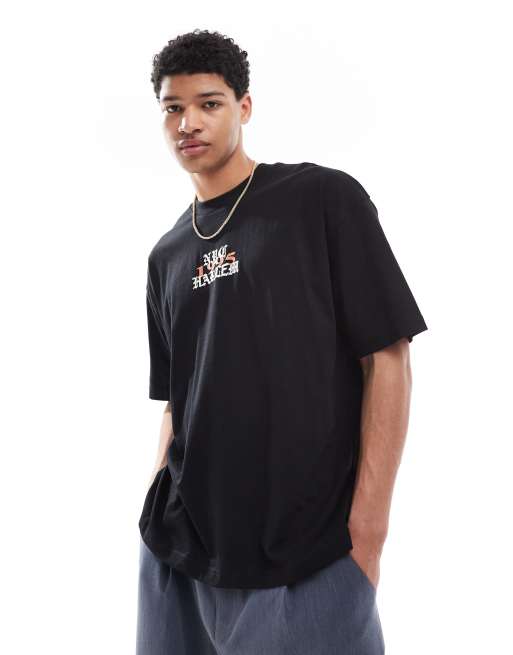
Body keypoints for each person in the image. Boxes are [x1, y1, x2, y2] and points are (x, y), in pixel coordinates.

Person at [136, 29, 428, 655]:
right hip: (178, 555)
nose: (188, 122)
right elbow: (175, 403)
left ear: (244, 107)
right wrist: (155, 501)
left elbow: (388, 356)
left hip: (307, 555)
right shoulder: (167, 255)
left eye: (209, 103)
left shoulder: (319, 200)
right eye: (172, 107)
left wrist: (368, 532)